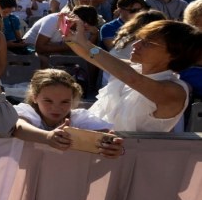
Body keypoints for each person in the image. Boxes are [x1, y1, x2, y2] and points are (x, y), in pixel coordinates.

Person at [63, 17, 202, 132]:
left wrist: (84, 42)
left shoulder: (175, 90)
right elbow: (91, 55)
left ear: (174, 54)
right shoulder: (132, 69)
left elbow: (132, 79)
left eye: (148, 43)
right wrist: (70, 37)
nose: (136, 45)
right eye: (140, 39)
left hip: (135, 160)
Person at [12, 69, 124, 157]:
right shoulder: (27, 112)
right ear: (35, 98)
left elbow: (105, 134)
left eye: (65, 101)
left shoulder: (79, 118)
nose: (56, 107)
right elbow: (18, 128)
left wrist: (111, 146)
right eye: (48, 101)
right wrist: (47, 137)